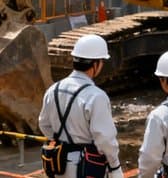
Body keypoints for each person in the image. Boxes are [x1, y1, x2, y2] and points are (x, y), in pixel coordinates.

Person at [38, 34, 123, 178]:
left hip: (58, 165)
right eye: (102, 61)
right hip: (85, 167)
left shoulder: (53, 89)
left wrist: (62, 140)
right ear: (95, 64)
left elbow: (44, 124)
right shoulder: (96, 96)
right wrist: (115, 166)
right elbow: (105, 140)